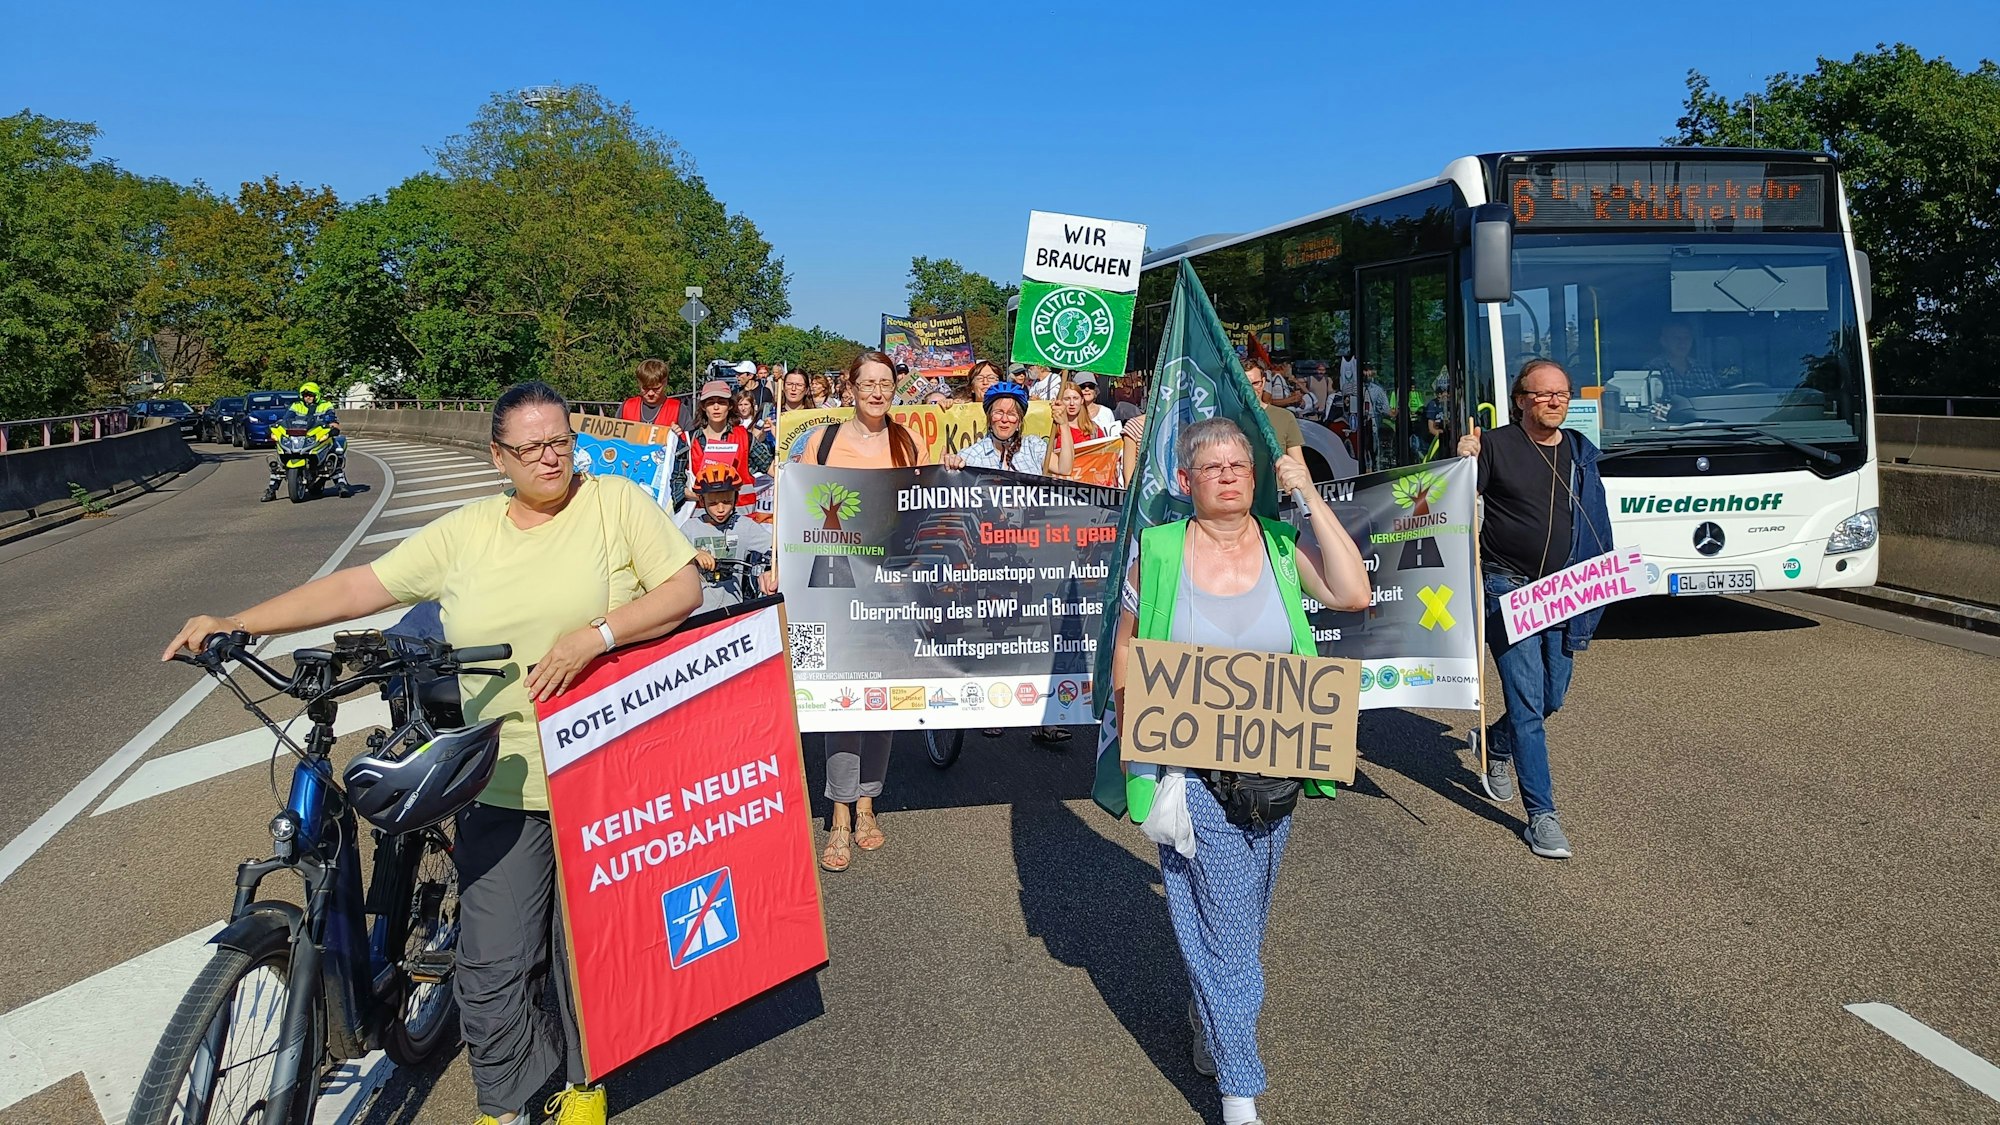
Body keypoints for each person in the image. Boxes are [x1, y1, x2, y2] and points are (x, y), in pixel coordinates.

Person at [166, 381, 703, 1125]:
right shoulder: (469, 530)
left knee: (590, 954)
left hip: (602, 772)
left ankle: (584, 1082)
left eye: (560, 442)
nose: (551, 458)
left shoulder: (613, 504)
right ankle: (506, 1101)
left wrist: (596, 635)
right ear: (497, 457)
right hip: (499, 773)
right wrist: (241, 621)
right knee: (492, 964)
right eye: (532, 447)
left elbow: (683, 587)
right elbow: (362, 586)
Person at [1108, 417, 1370, 1125]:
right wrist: (1139, 745)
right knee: (1227, 924)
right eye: (1213, 466)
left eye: (1241, 465)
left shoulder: (1285, 546)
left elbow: (1353, 593)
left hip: (1277, 771)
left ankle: (1209, 1011)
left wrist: (1311, 497)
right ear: (1186, 481)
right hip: (1192, 773)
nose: (1229, 475)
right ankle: (1240, 1093)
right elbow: (1128, 650)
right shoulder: (1158, 550)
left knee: (1242, 920)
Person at [1455, 358, 1613, 860]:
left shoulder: (1582, 454)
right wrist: (1462, 460)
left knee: (1552, 698)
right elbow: (1448, 501)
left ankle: (1495, 743)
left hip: (1564, 592)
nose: (1554, 402)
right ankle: (1542, 816)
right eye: (1543, 395)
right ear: (1521, 399)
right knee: (1527, 704)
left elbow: (1597, 523)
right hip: (1508, 588)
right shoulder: (1496, 446)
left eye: (1562, 395)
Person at [781, 351, 931, 872]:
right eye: (866, 382)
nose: (875, 391)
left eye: (885, 382)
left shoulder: (908, 441)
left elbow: (926, 502)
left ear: (895, 388)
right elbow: (792, 504)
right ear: (850, 387)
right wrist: (780, 565)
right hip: (832, 578)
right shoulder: (820, 441)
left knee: (881, 696)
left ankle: (869, 802)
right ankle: (839, 812)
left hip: (890, 583)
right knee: (837, 692)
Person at [678, 464, 772, 612]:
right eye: (713, 503)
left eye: (727, 502)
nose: (720, 509)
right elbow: (671, 560)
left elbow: (777, 549)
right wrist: (693, 554)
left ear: (735, 499)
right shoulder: (689, 528)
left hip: (732, 614)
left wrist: (772, 570)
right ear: (702, 501)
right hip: (695, 615)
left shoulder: (744, 526)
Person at [942, 380, 1073, 476]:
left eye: (1011, 414)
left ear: (1019, 421)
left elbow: (1064, 469)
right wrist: (950, 466)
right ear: (989, 417)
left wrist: (1064, 424)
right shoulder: (970, 455)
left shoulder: (1033, 446)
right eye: (998, 412)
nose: (1004, 420)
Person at [262, 380, 351, 501]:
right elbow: (286, 420)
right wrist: (274, 429)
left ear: (316, 395)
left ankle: (341, 485)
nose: (307, 397)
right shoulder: (296, 406)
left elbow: (332, 420)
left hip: (317, 435)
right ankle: (271, 490)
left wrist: (333, 429)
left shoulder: (326, 405)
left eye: (310, 395)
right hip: (299, 438)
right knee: (277, 465)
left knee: (335, 452)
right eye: (305, 395)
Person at [686, 380, 753, 504]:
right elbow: (675, 481)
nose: (716, 407)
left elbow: (773, 469)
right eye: (711, 403)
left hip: (741, 514)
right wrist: (701, 497)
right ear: (703, 407)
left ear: (730, 405)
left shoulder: (746, 437)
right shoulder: (689, 440)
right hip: (702, 515)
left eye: (721, 402)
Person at [1644, 321, 1724, 419]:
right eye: (1676, 338)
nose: (1682, 343)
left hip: (1706, 426)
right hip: (1667, 430)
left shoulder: (1704, 370)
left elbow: (1718, 402)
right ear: (1663, 341)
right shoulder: (1652, 370)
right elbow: (1649, 408)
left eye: (1687, 338)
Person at [1242, 360, 1304, 460]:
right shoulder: (1229, 419)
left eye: (1255, 383)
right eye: (1245, 385)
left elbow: (1299, 465)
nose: (1250, 390)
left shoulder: (1285, 417)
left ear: (1263, 383)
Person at [619, 357, 682, 429]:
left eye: (656, 389)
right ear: (638, 383)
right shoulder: (627, 406)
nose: (651, 393)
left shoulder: (678, 409)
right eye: (645, 388)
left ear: (665, 382)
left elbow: (692, 439)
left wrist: (679, 436)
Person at [1072, 372, 1121, 437]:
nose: (1087, 389)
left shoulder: (1107, 412)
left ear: (1095, 390)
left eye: (1091, 386)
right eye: (1082, 386)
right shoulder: (1071, 414)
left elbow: (1115, 438)